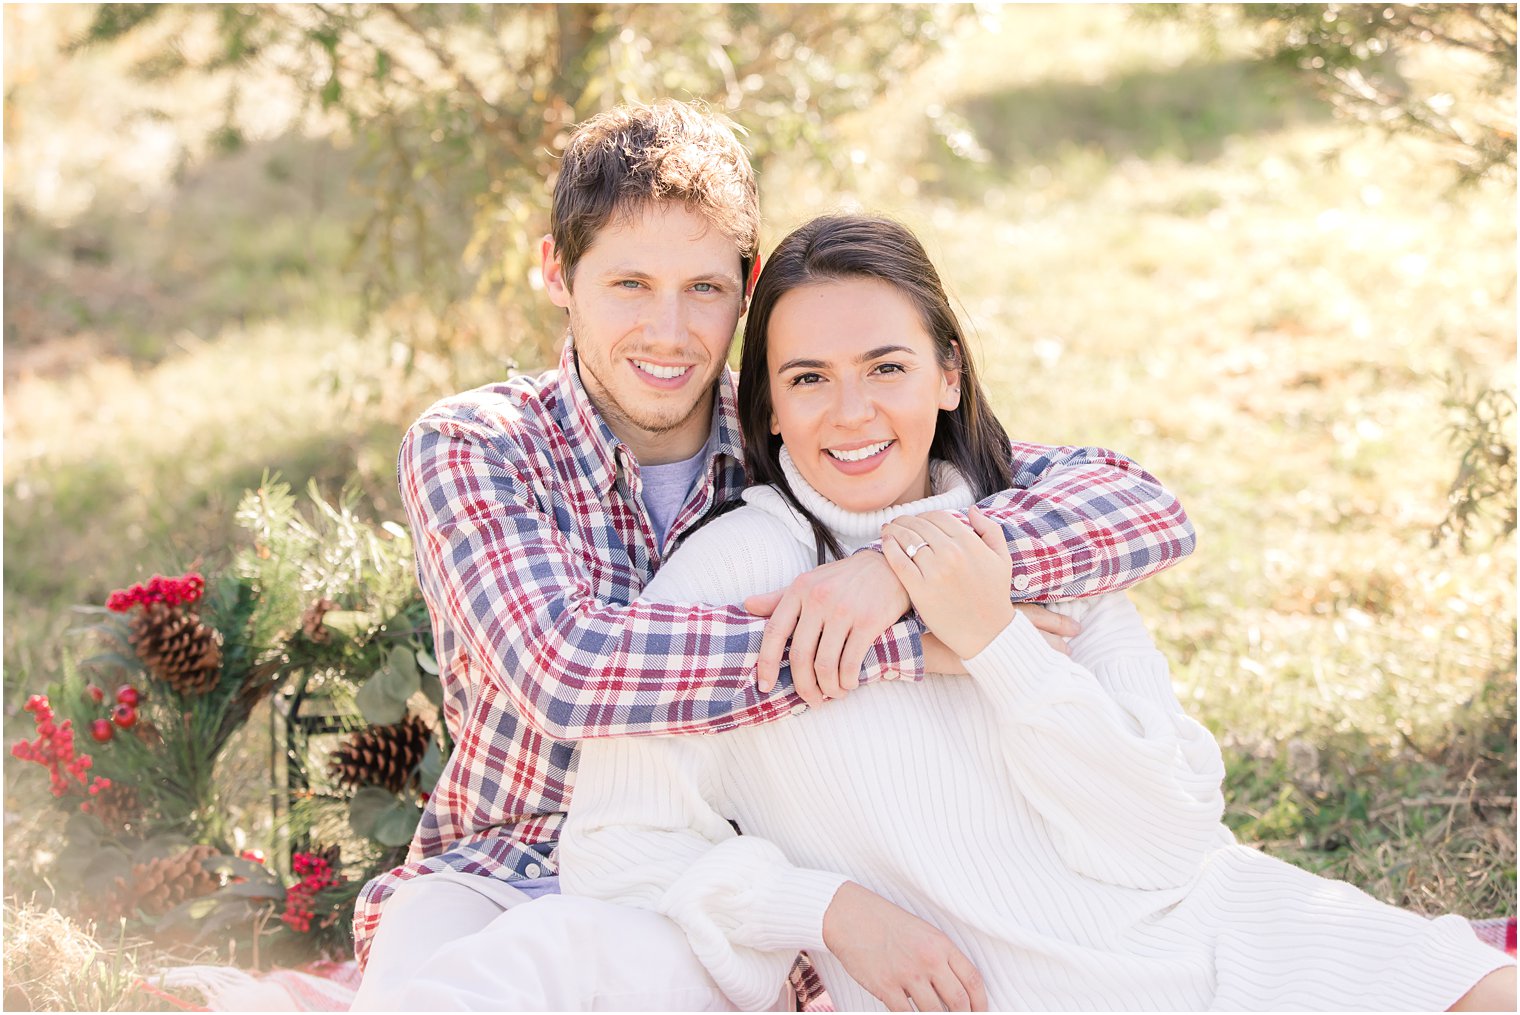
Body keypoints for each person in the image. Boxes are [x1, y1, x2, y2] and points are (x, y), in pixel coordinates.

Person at [351, 101, 1200, 1010]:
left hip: (705, 884)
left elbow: (1137, 504)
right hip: (496, 866)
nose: (670, 332)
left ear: (747, 285)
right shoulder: (480, 447)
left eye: (704, 289)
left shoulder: (793, 427)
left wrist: (898, 573)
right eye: (630, 284)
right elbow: (568, 671)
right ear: (557, 271)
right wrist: (904, 645)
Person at [558, 214, 1517, 1012]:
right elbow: (614, 845)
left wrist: (992, 637)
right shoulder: (733, 573)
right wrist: (828, 909)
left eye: (886, 367)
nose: (850, 411)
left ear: (949, 377)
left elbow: (1169, 846)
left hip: (1221, 942)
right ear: (766, 408)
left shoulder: (1035, 529)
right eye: (808, 378)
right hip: (1000, 990)